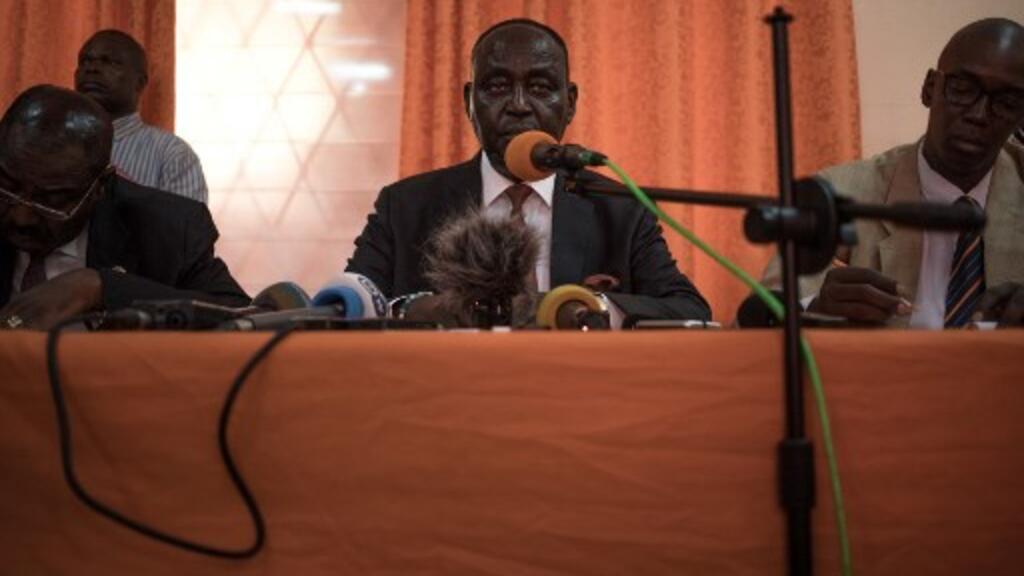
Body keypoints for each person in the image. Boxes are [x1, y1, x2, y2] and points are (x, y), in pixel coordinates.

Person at [346, 18, 710, 325]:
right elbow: (348, 305)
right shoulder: (405, 205)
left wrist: (590, 307)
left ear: (570, 104)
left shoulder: (620, 208)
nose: (519, 106)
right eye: (497, 87)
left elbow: (689, 309)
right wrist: (417, 309)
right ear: (469, 102)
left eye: (539, 88)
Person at [763, 18, 1024, 328]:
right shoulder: (841, 191)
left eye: (1007, 102)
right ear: (930, 88)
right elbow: (764, 311)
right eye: (963, 89)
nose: (979, 114)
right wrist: (816, 307)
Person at [0, 85, 248, 330]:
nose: (22, 217)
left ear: (101, 186)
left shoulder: (167, 227)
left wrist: (103, 288)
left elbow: (240, 316)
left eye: (52, 199)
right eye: (7, 187)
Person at [75, 29, 209, 203]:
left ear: (139, 83)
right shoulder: (51, 143)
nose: (91, 69)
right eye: (84, 61)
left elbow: (184, 221)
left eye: (108, 62)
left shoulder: (173, 155)